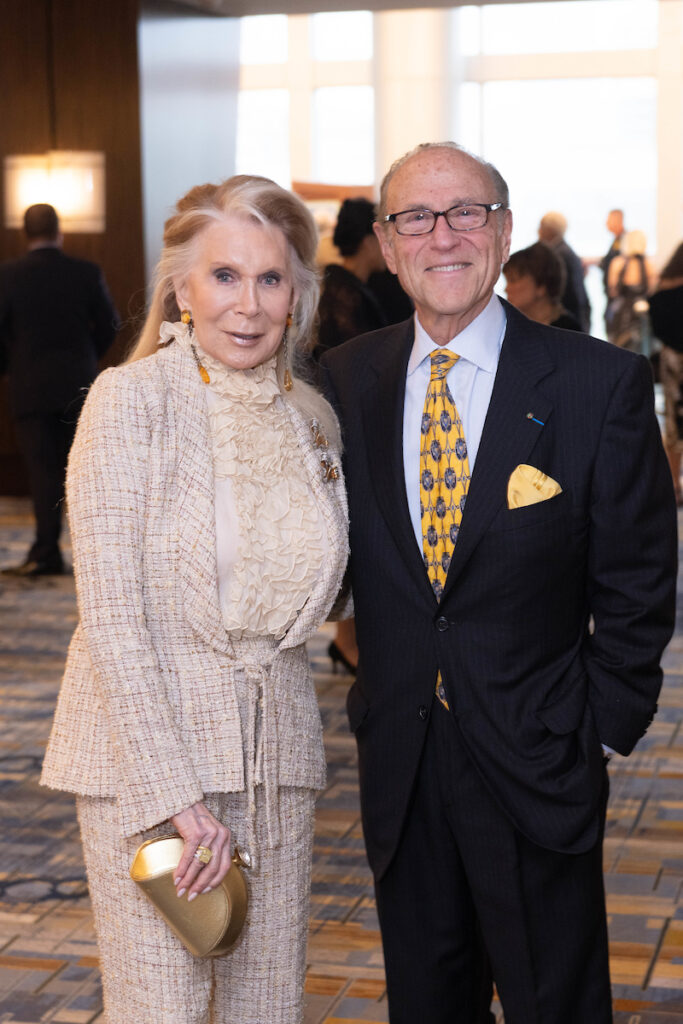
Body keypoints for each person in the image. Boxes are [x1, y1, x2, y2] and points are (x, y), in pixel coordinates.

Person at [320, 141, 677, 1024]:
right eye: (415, 217)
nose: (443, 235)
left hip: (540, 752)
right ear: (390, 243)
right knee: (426, 1002)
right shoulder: (342, 382)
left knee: (553, 1001)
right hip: (401, 760)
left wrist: (594, 726)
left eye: (466, 212)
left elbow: (639, 579)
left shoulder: (600, 383)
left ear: (504, 232)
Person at [40, 175, 350, 1024]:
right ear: (180, 284)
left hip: (274, 758)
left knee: (267, 1006)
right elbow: (111, 619)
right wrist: (175, 795)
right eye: (223, 276)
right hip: (149, 758)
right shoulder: (130, 400)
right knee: (162, 1009)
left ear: (298, 294)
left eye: (270, 279)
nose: (246, 306)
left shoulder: (313, 419)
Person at [0, 203, 119, 576]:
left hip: (30, 387)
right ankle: (96, 558)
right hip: (78, 385)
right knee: (83, 474)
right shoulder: (85, 272)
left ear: (25, 232)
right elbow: (111, 324)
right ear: (59, 231)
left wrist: (11, 368)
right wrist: (87, 358)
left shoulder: (8, 275)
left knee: (42, 471)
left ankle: (47, 551)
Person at [314, 197, 386, 675]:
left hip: (341, 427)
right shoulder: (342, 290)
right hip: (343, 432)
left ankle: (347, 640)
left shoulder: (344, 285)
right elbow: (353, 372)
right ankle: (347, 639)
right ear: (367, 238)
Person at [648, 241, 683, 503]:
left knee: (673, 422)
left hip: (672, 359)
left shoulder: (662, 291)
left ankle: (673, 482)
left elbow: (658, 329)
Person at [503, 241, 582, 331]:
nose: (506, 289)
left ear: (541, 286)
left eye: (513, 280)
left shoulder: (568, 331)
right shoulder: (510, 326)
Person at [538, 210, 591, 332]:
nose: (538, 231)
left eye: (541, 226)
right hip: (576, 320)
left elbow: (568, 295)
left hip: (568, 323)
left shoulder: (557, 255)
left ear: (550, 230)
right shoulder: (565, 251)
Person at [606, 229, 657, 351]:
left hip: (621, 312)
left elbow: (613, 291)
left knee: (618, 348)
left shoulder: (617, 263)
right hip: (641, 312)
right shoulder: (648, 264)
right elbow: (652, 290)